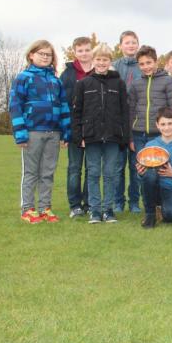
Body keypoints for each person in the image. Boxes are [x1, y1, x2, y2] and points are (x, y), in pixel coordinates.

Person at [9, 40, 70, 224]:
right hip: (32, 132)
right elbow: (15, 106)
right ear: (31, 55)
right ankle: (28, 209)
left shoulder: (55, 80)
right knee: (31, 172)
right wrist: (20, 133)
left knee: (48, 173)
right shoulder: (23, 77)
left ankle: (45, 208)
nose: (45, 57)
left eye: (48, 54)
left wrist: (66, 132)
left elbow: (64, 106)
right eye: (41, 53)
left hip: (53, 133)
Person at [70, 43, 129, 223]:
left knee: (110, 174)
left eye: (105, 59)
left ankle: (108, 210)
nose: (102, 63)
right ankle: (95, 211)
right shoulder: (83, 83)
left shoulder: (118, 83)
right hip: (91, 136)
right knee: (93, 173)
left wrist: (124, 137)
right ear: (93, 61)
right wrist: (78, 136)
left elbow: (124, 111)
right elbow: (77, 112)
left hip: (112, 136)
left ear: (110, 61)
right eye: (98, 59)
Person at [128, 45, 172, 213]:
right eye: (142, 64)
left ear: (156, 61)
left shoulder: (167, 81)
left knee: (159, 171)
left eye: (149, 62)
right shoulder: (136, 84)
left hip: (159, 135)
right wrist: (130, 136)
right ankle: (145, 206)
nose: (146, 67)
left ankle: (159, 205)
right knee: (140, 171)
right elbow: (131, 110)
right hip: (139, 134)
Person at [136, 107, 172, 228]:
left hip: (171, 188)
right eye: (163, 124)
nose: (166, 127)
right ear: (157, 125)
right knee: (150, 175)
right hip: (153, 186)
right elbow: (142, 177)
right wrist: (140, 173)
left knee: (171, 215)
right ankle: (150, 214)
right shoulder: (150, 145)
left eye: (170, 123)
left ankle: (161, 210)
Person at [60, 36, 93, 218]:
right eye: (80, 50)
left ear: (92, 50)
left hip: (94, 129)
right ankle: (75, 204)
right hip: (74, 128)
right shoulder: (68, 74)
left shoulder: (98, 70)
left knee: (92, 168)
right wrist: (66, 132)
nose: (84, 53)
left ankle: (89, 203)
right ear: (75, 52)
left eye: (87, 50)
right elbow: (63, 104)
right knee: (74, 167)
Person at [113, 30, 143, 214]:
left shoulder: (143, 66)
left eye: (134, 42)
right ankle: (118, 202)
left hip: (137, 123)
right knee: (117, 167)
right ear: (120, 46)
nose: (131, 45)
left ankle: (134, 202)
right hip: (117, 124)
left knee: (136, 167)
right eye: (127, 42)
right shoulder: (114, 66)